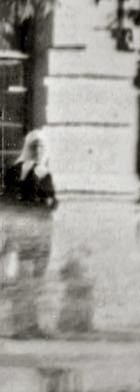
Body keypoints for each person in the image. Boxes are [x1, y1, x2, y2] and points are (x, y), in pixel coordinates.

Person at [1, 130, 58, 337]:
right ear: (28, 148)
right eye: (35, 146)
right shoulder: (18, 171)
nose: (38, 150)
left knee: (34, 280)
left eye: (42, 146)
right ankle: (21, 326)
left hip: (39, 232)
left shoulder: (43, 173)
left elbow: (51, 202)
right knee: (23, 278)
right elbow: (8, 201)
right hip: (24, 231)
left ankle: (31, 324)